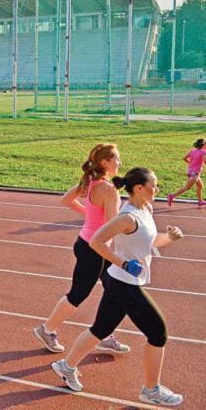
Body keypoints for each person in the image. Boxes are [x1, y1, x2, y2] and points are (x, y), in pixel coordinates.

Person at [51, 167, 185, 407]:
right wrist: (123, 263)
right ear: (139, 188)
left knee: (100, 329)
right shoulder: (127, 217)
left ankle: (66, 366)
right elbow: (96, 241)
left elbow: (151, 243)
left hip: (119, 280)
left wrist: (170, 238)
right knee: (158, 333)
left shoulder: (146, 209)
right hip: (125, 284)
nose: (158, 189)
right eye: (154, 185)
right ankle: (151, 390)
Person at [33, 144, 130, 355]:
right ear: (105, 162)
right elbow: (114, 223)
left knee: (114, 290)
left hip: (90, 245)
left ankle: (103, 334)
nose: (120, 163)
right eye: (117, 159)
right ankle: (47, 329)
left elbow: (66, 199)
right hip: (94, 249)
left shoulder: (89, 181)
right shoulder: (108, 189)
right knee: (78, 294)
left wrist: (90, 214)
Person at [166, 137, 206, 207]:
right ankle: (172, 196)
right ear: (203, 145)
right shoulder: (204, 152)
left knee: (200, 186)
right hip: (195, 173)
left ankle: (200, 201)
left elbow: (184, 158)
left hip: (190, 171)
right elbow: (205, 161)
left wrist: (191, 163)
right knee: (186, 188)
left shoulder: (193, 151)